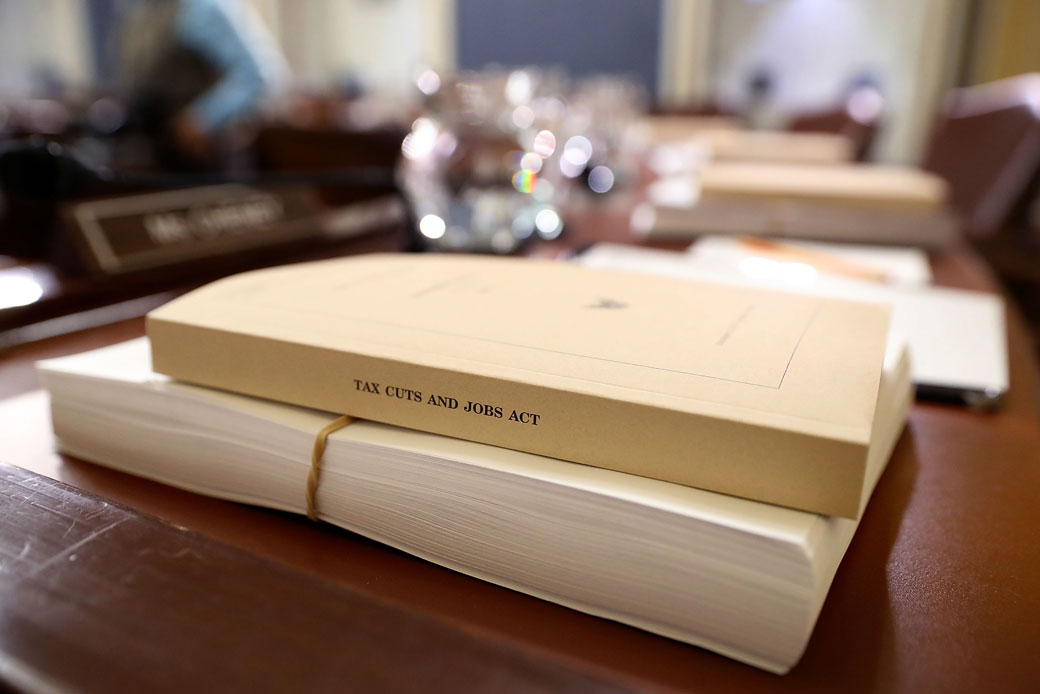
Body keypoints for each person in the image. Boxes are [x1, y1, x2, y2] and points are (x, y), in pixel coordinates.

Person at [117, 0, 286, 168]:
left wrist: (202, 119)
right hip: (159, 145)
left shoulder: (202, 7)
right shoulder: (143, 10)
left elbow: (254, 75)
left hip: (204, 154)